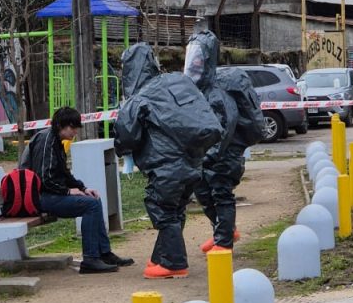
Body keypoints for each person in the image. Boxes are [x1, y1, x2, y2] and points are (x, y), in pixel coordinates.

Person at [114, 43, 222, 278]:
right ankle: (159, 258)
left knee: (161, 208)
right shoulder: (177, 81)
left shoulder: (141, 97)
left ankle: (174, 263)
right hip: (194, 161)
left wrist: (121, 149)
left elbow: (126, 135)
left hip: (166, 165)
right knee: (175, 209)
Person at [23, 106, 134, 274]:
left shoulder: (55, 141)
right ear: (61, 125)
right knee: (90, 205)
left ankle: (104, 253)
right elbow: (44, 179)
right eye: (73, 127)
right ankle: (90, 259)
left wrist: (82, 188)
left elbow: (64, 173)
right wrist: (67, 191)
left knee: (94, 199)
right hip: (39, 198)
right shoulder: (46, 140)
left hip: (47, 194)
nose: (75, 132)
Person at [184, 31, 265, 252]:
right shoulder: (202, 90)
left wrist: (210, 155)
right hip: (209, 155)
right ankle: (223, 230)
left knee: (221, 193)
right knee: (203, 192)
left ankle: (224, 241)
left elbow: (225, 129)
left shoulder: (218, 93)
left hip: (226, 153)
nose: (194, 65)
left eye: (199, 59)